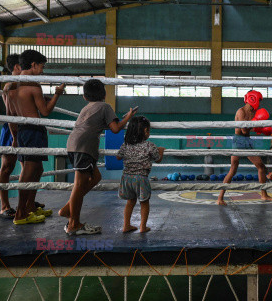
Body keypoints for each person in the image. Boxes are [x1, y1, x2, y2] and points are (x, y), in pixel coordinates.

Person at [59, 79, 136, 235]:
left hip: (75, 145)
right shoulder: (105, 106)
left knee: (95, 177)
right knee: (79, 185)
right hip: (84, 147)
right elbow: (115, 129)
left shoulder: (86, 108)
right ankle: (73, 224)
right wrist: (127, 118)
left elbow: (101, 125)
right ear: (104, 94)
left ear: (85, 97)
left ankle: (68, 209)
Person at [12, 50, 65, 225]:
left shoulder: (13, 83)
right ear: (33, 64)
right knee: (28, 171)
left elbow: (15, 109)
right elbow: (45, 111)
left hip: (23, 129)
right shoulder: (34, 85)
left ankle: (29, 208)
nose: (42, 70)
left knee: (37, 169)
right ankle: (21, 213)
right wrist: (57, 94)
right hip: (33, 130)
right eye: (42, 66)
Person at [216, 90, 272, 206]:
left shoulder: (254, 112)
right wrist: (257, 125)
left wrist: (261, 129)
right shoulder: (241, 111)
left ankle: (263, 195)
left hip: (247, 141)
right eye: (258, 100)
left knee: (261, 167)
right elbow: (244, 129)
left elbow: (250, 129)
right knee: (234, 170)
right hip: (238, 140)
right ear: (252, 98)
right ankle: (220, 198)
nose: (258, 103)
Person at [116, 116, 165, 233]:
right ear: (145, 131)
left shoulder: (126, 144)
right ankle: (143, 227)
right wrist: (161, 150)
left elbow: (118, 156)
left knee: (130, 201)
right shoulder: (149, 145)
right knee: (144, 203)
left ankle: (126, 225)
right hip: (141, 178)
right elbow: (158, 159)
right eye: (148, 130)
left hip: (126, 177)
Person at [0, 54, 20, 219]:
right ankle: (4, 206)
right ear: (17, 67)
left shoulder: (20, 83)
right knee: (7, 167)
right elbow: (10, 113)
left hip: (22, 127)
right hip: (12, 128)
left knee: (30, 167)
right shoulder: (10, 85)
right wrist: (14, 136)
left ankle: (27, 203)